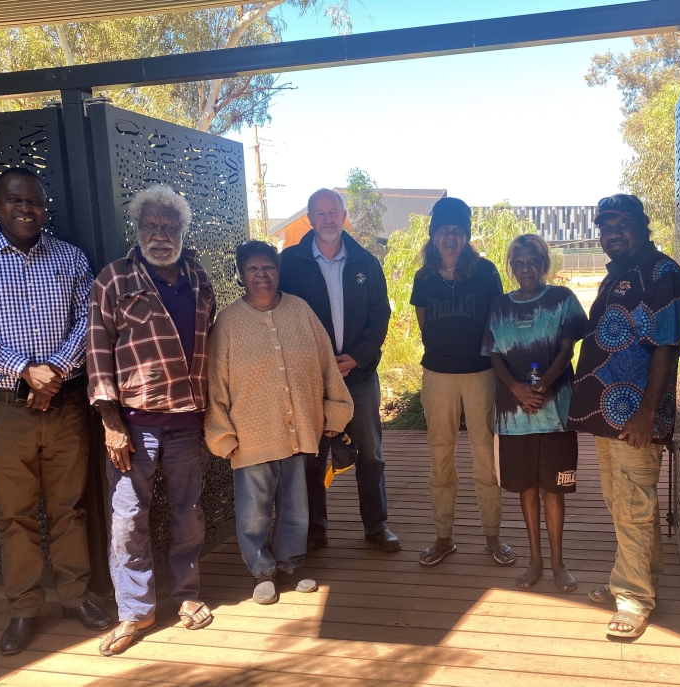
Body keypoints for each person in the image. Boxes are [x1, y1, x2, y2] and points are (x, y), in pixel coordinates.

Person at [0, 167, 111, 656]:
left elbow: (88, 319)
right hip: (4, 412)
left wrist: (54, 370)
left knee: (68, 509)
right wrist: (24, 371)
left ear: (44, 206)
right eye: (15, 200)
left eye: (34, 201)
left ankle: (77, 596)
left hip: (65, 406)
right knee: (13, 515)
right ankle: (23, 609)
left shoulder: (71, 258)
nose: (26, 209)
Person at [87, 184, 215, 657]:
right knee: (127, 518)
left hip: (187, 420)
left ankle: (186, 597)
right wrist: (110, 420)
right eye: (151, 225)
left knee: (189, 512)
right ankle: (135, 611)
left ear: (182, 230)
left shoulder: (200, 278)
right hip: (132, 424)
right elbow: (97, 351)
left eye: (170, 225)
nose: (161, 234)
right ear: (138, 229)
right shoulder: (114, 279)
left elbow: (210, 342)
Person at [567, 194, 680, 639]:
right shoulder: (620, 273)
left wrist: (645, 412)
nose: (611, 234)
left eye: (620, 224)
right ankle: (642, 576)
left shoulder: (664, 274)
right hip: (607, 411)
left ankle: (634, 598)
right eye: (604, 227)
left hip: (633, 414)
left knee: (634, 503)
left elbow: (666, 346)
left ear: (643, 224)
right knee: (623, 501)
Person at [205, 240, 353, 604]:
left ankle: (290, 562)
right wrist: (222, 432)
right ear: (242, 275)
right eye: (253, 269)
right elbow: (215, 382)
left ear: (278, 271)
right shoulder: (228, 321)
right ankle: (261, 571)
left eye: (268, 267)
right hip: (250, 433)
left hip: (298, 427)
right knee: (253, 509)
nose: (261, 275)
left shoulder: (300, 311)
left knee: (295, 503)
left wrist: (335, 412)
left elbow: (326, 367)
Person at [279, 189, 399, 554]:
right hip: (311, 379)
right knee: (312, 458)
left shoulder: (365, 262)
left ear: (344, 216)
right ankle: (315, 531)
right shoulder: (290, 262)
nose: (329, 219)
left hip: (359, 376)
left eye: (334, 212)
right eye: (321, 212)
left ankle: (376, 526)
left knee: (371, 453)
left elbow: (381, 316)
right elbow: (281, 317)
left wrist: (358, 356)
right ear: (311, 217)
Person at [410, 197, 516, 567]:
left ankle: (493, 536)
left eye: (457, 230)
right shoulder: (423, 277)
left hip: (480, 374)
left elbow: (498, 320)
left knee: (486, 455)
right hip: (438, 375)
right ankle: (443, 537)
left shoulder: (485, 272)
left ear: (466, 235)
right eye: (444, 230)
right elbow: (425, 325)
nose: (450, 237)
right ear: (434, 235)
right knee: (440, 456)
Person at [483, 234, 587, 592]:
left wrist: (541, 387)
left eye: (532, 261)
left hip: (555, 412)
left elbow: (567, 348)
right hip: (514, 415)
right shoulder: (499, 305)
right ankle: (536, 561)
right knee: (525, 487)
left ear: (544, 263)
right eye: (518, 262)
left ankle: (558, 563)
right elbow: (494, 353)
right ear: (512, 267)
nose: (525, 268)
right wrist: (516, 389)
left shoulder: (562, 300)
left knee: (553, 490)